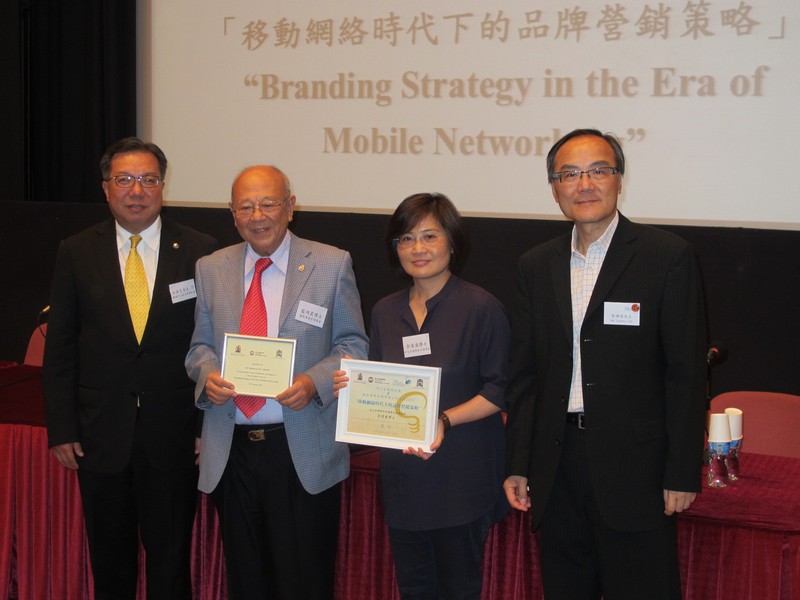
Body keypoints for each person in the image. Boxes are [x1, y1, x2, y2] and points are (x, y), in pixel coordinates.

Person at [503, 129, 707, 599]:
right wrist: (519, 462)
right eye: (569, 174)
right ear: (554, 189)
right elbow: (525, 375)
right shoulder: (536, 264)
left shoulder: (666, 256)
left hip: (636, 468)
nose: (585, 184)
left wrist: (681, 471)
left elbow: (686, 373)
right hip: (557, 466)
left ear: (619, 179)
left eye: (598, 171)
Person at [42, 137, 218, 600]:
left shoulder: (200, 251)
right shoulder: (77, 251)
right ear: (106, 188)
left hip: (175, 434)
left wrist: (207, 423)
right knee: (110, 562)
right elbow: (59, 348)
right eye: (125, 180)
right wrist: (61, 428)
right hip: (100, 436)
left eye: (148, 180)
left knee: (171, 563)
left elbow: (212, 345)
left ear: (163, 186)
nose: (136, 190)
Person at [185, 165, 368, 600]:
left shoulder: (330, 263)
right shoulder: (211, 268)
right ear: (232, 214)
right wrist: (207, 375)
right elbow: (198, 348)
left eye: (268, 203)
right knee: (246, 581)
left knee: (303, 580)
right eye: (245, 206)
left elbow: (354, 345)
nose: (257, 215)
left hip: (299, 445)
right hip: (232, 448)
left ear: (290, 207)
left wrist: (314, 382)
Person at [334, 193, 510, 599]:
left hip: (460, 478)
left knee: (457, 588)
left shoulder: (481, 308)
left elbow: (499, 389)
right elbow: (378, 381)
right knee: (414, 588)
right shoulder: (383, 311)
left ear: (452, 241)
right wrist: (353, 387)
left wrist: (444, 419)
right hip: (404, 480)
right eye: (406, 238)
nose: (418, 249)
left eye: (430, 236)